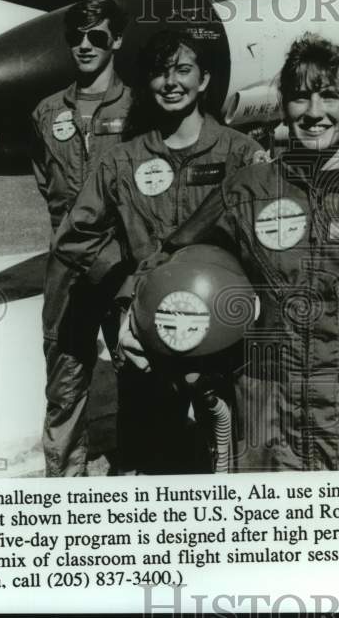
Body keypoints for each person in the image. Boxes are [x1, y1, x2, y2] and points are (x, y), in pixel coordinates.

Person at [120, 33, 339, 471]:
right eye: (299, 97)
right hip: (265, 397)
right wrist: (134, 311)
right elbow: (173, 253)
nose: (313, 113)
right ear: (283, 103)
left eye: (329, 96)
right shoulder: (248, 189)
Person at [46, 26, 266, 474]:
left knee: (236, 455)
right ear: (147, 83)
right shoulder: (121, 161)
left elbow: (270, 240)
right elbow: (75, 236)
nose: (171, 83)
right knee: (153, 459)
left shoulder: (242, 155)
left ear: (203, 80)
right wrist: (128, 285)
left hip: (227, 335)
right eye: (160, 73)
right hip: (148, 336)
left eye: (183, 70)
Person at [30, 0, 131, 476]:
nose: (85, 45)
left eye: (96, 36)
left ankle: (142, 471)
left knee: (140, 371)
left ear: (117, 40)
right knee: (65, 381)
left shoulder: (141, 108)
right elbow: (46, 185)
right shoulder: (47, 114)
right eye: (76, 36)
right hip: (68, 268)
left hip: (123, 265)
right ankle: (65, 488)